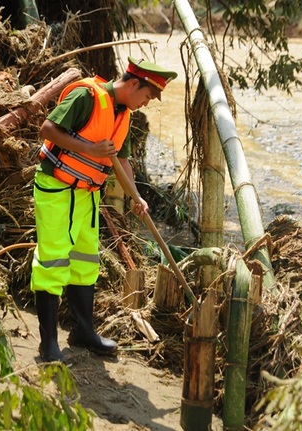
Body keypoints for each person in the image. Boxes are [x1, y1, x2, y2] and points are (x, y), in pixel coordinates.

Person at [32, 57, 177, 361]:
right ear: (134, 83)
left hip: (87, 195)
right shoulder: (86, 96)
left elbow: (121, 161)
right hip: (57, 189)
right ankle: (48, 345)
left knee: (85, 262)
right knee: (53, 263)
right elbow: (47, 129)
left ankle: (83, 331)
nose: (147, 103)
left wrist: (136, 197)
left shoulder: (123, 114)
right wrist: (89, 149)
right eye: (148, 96)